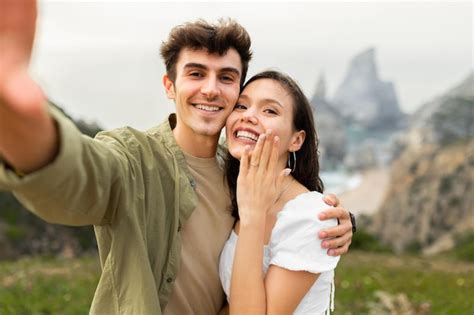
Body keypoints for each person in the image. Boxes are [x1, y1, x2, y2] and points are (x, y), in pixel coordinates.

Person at [0, 1, 355, 314]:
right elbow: (79, 176)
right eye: (196, 73)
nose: (211, 89)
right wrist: (20, 125)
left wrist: (340, 221)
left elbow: (289, 221)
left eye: (227, 78)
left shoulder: (238, 174)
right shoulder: (133, 159)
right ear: (169, 86)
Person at [219, 71, 340, 314]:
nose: (248, 116)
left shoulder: (310, 217)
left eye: (270, 111)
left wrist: (253, 216)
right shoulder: (231, 188)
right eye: (241, 106)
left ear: (296, 140)